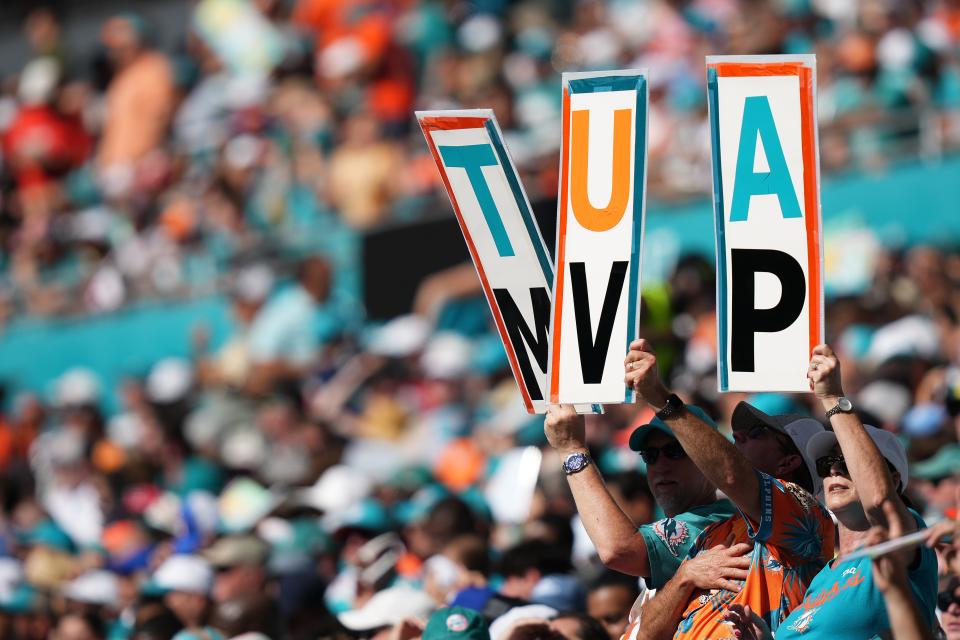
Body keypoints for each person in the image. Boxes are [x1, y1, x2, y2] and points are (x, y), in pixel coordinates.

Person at [621, 339, 835, 640]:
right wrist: (684, 578)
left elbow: (733, 475)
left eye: (756, 433)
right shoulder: (715, 533)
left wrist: (660, 398)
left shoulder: (805, 510)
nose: (738, 437)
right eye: (737, 433)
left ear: (788, 462)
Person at [543, 404, 738, 590]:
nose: (661, 465)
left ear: (710, 460)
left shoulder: (713, 521)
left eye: (675, 451)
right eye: (650, 455)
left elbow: (619, 550)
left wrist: (572, 450)